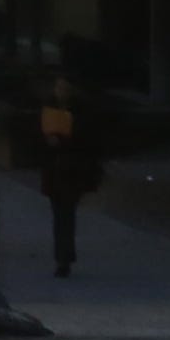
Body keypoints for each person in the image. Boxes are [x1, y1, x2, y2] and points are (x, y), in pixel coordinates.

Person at [36, 81, 106, 277]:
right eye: (59, 87)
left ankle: (63, 258)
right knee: (60, 215)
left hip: (72, 170)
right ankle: (63, 256)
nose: (61, 91)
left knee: (65, 214)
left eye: (65, 88)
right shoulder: (49, 108)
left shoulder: (82, 112)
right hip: (55, 169)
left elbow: (88, 139)